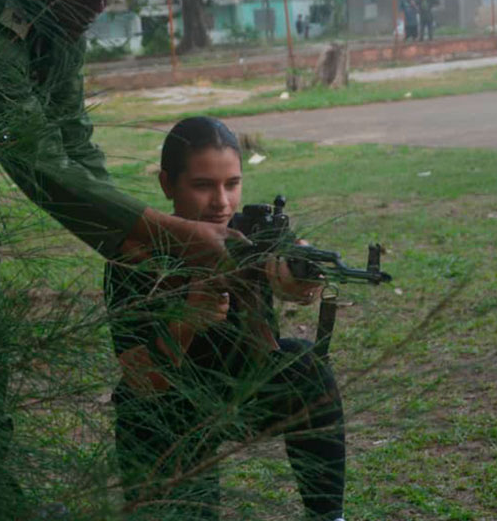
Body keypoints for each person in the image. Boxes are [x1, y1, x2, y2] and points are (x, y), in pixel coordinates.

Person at [0, 0, 244, 518]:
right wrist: (172, 233)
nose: (100, 3)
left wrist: (142, 245)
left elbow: (76, 147)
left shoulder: (58, 27)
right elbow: (41, 163)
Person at [107, 117, 347, 521]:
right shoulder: (136, 253)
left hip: (244, 388)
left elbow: (293, 260)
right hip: (169, 408)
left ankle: (328, 516)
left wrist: (301, 276)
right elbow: (142, 380)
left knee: (305, 364)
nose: (221, 202)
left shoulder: (251, 233)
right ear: (167, 184)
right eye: (203, 185)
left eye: (232, 184)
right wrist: (186, 321)